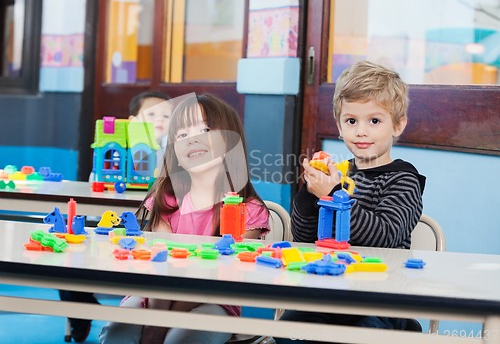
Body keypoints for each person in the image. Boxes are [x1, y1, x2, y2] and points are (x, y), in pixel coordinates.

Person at [99, 93, 270, 344]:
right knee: (118, 331)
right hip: (153, 295)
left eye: (205, 129)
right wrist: (156, 320)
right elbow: (159, 266)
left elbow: (220, 278)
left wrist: (162, 327)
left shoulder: (248, 209)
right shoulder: (166, 198)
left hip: (214, 300)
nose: (193, 140)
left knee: (181, 338)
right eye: (182, 135)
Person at [275, 61, 426, 344]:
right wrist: (310, 193)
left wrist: (332, 194)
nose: (361, 131)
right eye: (352, 121)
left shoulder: (404, 179)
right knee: (286, 332)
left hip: (378, 300)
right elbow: (306, 237)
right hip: (328, 295)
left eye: (375, 120)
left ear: (398, 125)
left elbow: (383, 237)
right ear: (339, 126)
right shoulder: (338, 173)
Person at [62, 91, 173, 343]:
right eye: (151, 114)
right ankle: (81, 310)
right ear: (132, 120)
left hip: (150, 228)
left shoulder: (173, 151)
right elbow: (95, 182)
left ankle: (141, 313)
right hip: (108, 224)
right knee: (70, 257)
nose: (159, 120)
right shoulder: (117, 144)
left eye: (166, 115)